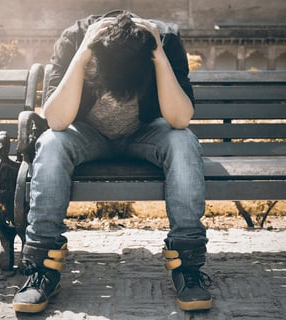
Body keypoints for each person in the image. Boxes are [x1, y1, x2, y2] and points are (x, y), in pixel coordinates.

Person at [12, 9, 212, 313]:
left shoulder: (165, 41)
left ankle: (187, 264)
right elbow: (56, 120)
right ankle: (41, 267)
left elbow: (180, 118)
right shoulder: (74, 39)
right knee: (51, 143)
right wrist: (81, 56)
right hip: (88, 135)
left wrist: (158, 56)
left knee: (183, 141)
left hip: (145, 133)